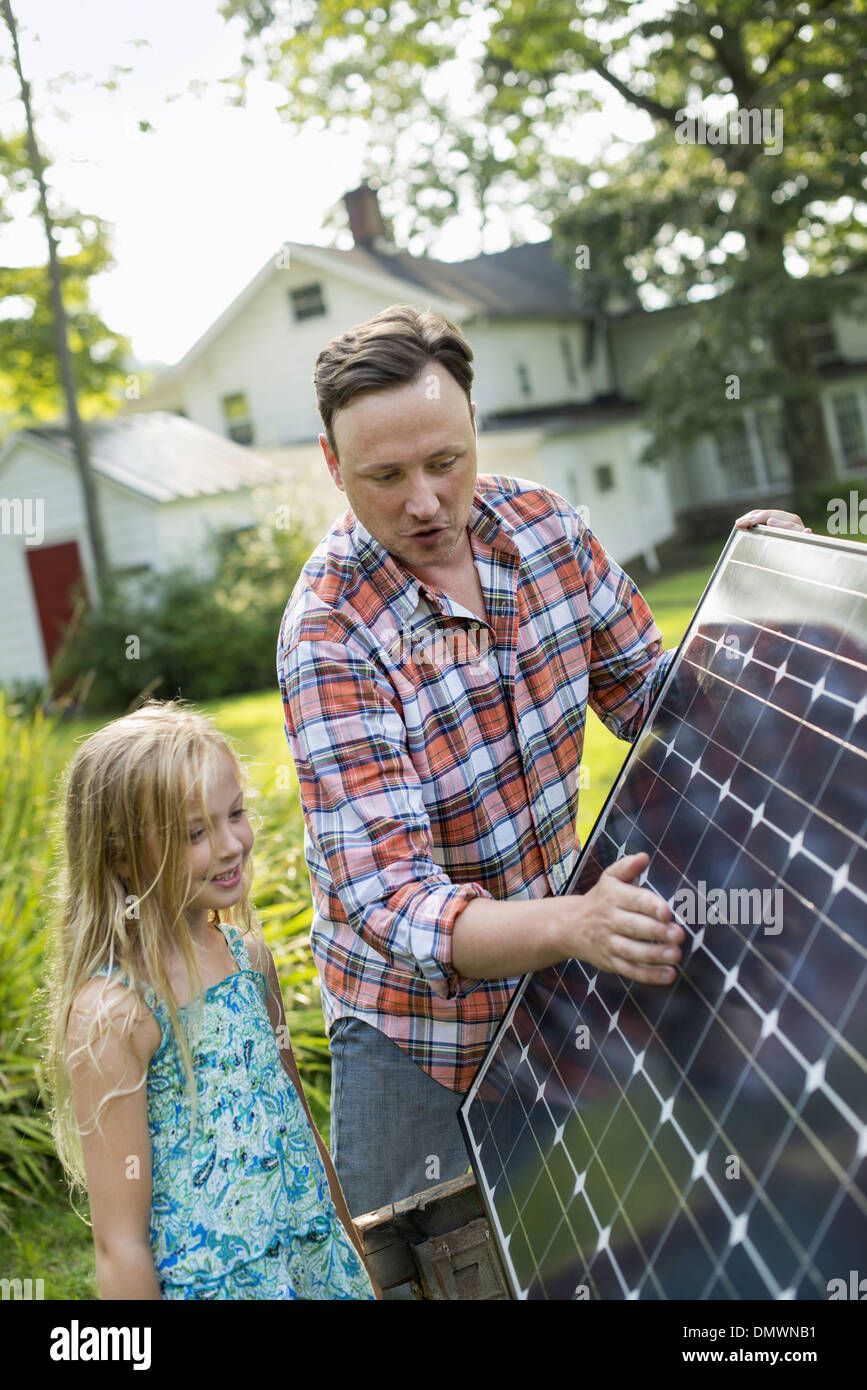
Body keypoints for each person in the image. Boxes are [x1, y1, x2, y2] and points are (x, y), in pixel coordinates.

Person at [276, 302, 809, 1225]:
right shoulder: (330, 633)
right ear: (332, 466)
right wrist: (574, 926)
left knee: (555, 1248)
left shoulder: (547, 532)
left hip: (549, 992)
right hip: (415, 1035)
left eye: (445, 462)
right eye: (384, 476)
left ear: (476, 427)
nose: (425, 501)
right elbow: (395, 900)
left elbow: (660, 699)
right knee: (427, 1270)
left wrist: (752, 598)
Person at [46, 700, 378, 1301]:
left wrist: (354, 1258)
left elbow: (299, 1125)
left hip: (313, 1267)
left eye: (236, 814)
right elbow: (119, 1245)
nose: (232, 845)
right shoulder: (115, 1013)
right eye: (196, 832)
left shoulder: (248, 958)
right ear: (120, 855)